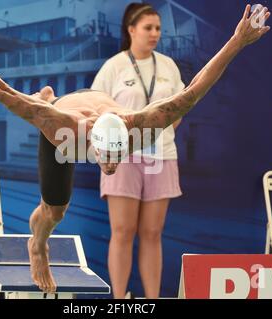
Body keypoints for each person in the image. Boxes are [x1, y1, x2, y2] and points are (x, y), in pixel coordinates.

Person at [0, 5, 270, 293]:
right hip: (64, 117)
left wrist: (237, 42)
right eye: (106, 159)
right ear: (92, 146)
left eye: (117, 158)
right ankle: (37, 244)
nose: (110, 166)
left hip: (98, 117)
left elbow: (194, 90)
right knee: (54, 211)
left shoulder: (141, 124)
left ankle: (43, 98)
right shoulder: (61, 127)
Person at [91, 3, 185, 298]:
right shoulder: (115, 66)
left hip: (162, 156)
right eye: (148, 28)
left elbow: (179, 107)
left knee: (153, 233)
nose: (155, 33)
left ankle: (151, 299)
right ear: (131, 30)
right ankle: (119, 299)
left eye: (158, 28)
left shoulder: (168, 65)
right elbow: (95, 109)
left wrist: (160, 134)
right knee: (122, 231)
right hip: (123, 159)